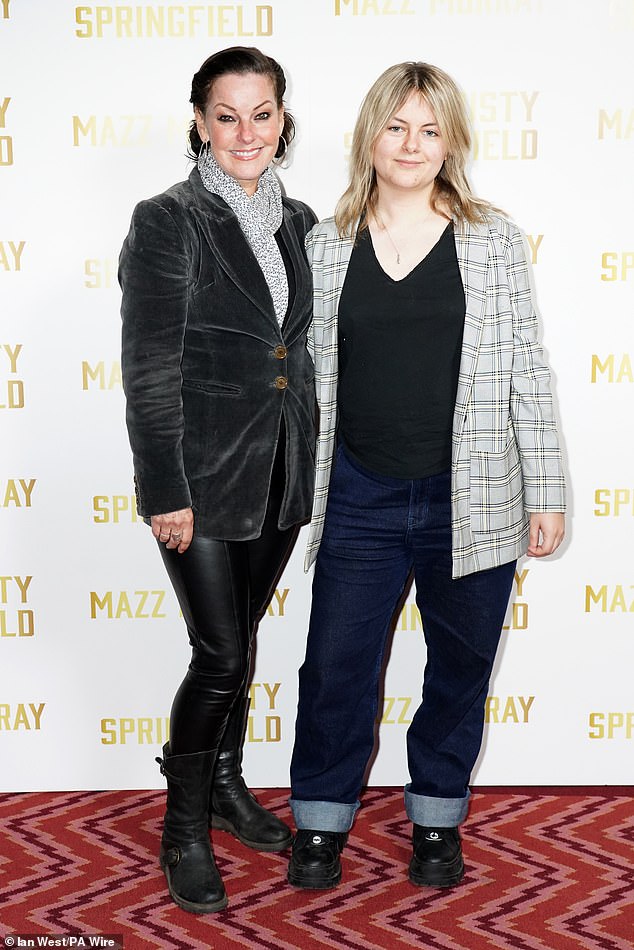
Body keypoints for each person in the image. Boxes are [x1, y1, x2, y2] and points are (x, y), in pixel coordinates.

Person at [287, 62, 566, 891]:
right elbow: (299, 374)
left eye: (429, 129)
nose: (411, 145)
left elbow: (527, 368)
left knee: (460, 668)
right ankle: (321, 824)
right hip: (358, 496)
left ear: (452, 143)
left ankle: (438, 819)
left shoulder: (492, 238)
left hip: (473, 496)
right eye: (396, 126)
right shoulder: (324, 242)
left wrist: (546, 490)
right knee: (336, 668)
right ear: (370, 134)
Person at [119, 46, 317, 914]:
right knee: (222, 653)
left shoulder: (303, 220)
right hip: (199, 477)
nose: (245, 132)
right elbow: (151, 367)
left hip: (279, 471)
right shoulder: (167, 220)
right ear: (198, 121)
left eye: (261, 113)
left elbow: (302, 349)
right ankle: (184, 827)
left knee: (241, 642)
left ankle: (228, 786)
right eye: (226, 115)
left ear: (282, 119)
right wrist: (164, 486)